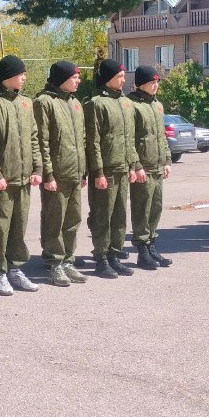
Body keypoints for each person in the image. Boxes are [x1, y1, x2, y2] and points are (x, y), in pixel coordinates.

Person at [0, 55, 42, 293]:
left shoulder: (25, 103)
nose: (24, 77)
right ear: (8, 76)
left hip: (23, 178)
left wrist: (37, 168)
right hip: (3, 180)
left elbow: (33, 138)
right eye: (20, 74)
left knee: (19, 225)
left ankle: (15, 268)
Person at [84, 58, 142, 276]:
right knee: (103, 216)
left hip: (123, 168)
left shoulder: (126, 103)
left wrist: (133, 165)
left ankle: (114, 255)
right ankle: (101, 258)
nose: (123, 80)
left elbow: (130, 139)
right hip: (106, 170)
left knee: (119, 216)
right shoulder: (96, 104)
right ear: (108, 78)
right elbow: (93, 141)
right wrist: (98, 172)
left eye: (123, 76)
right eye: (119, 76)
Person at [35, 61, 89, 286]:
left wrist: (83, 171)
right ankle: (54, 263)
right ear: (62, 79)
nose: (78, 81)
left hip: (74, 172)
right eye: (74, 77)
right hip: (57, 175)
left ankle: (67, 260)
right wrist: (47, 174)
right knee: (54, 220)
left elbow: (82, 139)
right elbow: (42, 141)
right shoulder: (44, 102)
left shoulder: (75, 103)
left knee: (73, 219)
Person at [127, 66, 173, 269]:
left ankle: (151, 244)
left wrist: (167, 160)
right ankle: (142, 250)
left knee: (155, 207)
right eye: (151, 82)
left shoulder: (157, 105)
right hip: (143, 166)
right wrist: (136, 165)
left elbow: (162, 136)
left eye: (157, 82)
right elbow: (130, 139)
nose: (155, 86)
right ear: (140, 84)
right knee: (142, 209)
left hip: (157, 165)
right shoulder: (132, 105)